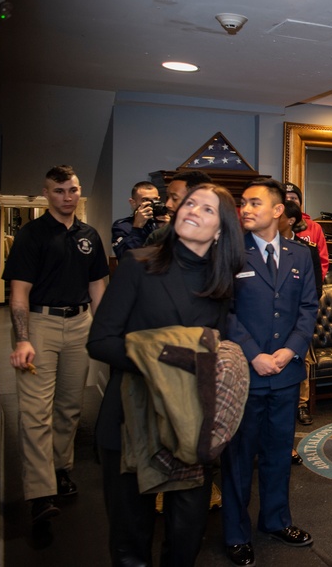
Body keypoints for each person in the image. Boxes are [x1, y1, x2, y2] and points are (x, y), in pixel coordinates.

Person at [87, 183, 245, 566]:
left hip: (190, 423)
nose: (192, 211)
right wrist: (174, 356)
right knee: (131, 543)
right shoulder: (138, 264)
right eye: (190, 203)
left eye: (207, 209)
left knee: (185, 537)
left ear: (221, 229)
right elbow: (101, 341)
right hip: (130, 420)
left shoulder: (221, 283)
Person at [221, 179, 319, 566]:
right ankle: (235, 533)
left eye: (254, 203)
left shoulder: (299, 255)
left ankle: (276, 520)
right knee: (240, 458)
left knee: (279, 454)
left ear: (278, 211)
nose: (245, 208)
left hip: (286, 372)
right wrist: (254, 354)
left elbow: (308, 308)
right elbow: (223, 312)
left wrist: (289, 350)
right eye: (242, 203)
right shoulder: (230, 254)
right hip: (246, 373)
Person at [3, 165, 109, 525]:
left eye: (74, 190)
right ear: (46, 193)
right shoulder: (32, 235)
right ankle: (39, 492)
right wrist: (22, 338)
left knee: (68, 408)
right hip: (41, 325)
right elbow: (18, 293)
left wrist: (103, 330)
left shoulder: (89, 236)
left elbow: (98, 288)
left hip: (80, 324)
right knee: (36, 412)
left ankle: (61, 469)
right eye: (60, 190)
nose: (68, 197)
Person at [283, 182, 329, 426]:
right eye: (286, 198)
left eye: (294, 198)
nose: (291, 201)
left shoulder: (311, 235)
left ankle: (301, 404)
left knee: (303, 357)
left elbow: (319, 270)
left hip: (303, 310)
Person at [145, 170, 212, 246]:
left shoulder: (222, 236)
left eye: (175, 198)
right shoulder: (159, 236)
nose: (168, 204)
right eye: (168, 197)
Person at [111, 180, 166, 259]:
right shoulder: (122, 226)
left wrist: (167, 229)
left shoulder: (162, 222)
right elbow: (126, 258)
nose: (151, 204)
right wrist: (137, 227)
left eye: (155, 199)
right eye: (145, 200)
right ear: (133, 203)